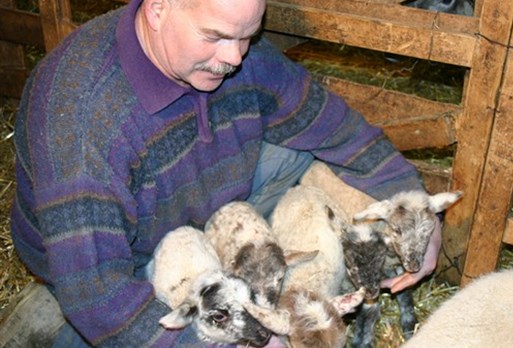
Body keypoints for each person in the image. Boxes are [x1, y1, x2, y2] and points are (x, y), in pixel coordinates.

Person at [10, 0, 442, 346]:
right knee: (107, 315)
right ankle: (51, 319)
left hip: (217, 202)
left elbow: (334, 126)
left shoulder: (238, 56)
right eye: (215, 36)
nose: (234, 57)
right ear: (158, 7)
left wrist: (418, 212)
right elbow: (98, 296)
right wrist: (239, 340)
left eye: (247, 35)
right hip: (133, 259)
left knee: (312, 156)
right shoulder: (80, 115)